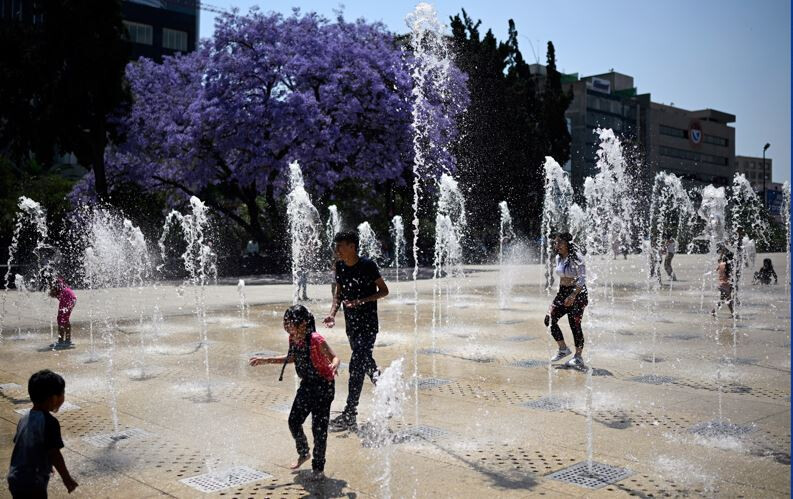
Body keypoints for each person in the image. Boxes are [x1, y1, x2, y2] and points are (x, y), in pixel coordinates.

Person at [248, 305, 339, 480]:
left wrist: (334, 364)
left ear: (304, 323)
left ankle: (318, 468)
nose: (289, 327)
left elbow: (334, 356)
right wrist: (266, 360)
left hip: (323, 388)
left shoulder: (316, 339)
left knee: (319, 429)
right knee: (293, 421)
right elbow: (293, 357)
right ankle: (304, 452)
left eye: (292, 324)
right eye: (286, 324)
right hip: (307, 386)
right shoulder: (293, 338)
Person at [324, 230, 389, 431]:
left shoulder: (368, 265)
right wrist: (333, 314)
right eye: (337, 246)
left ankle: (350, 413)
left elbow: (384, 291)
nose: (337, 250)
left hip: (368, 324)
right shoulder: (340, 267)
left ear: (352, 246)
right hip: (352, 326)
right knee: (364, 360)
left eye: (341, 246)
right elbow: (338, 295)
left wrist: (362, 301)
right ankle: (385, 387)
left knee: (356, 365)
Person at [7, 369, 78, 497]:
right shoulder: (49, 422)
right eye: (62, 393)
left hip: (16, 477)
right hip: (33, 482)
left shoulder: (25, 417)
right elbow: (54, 454)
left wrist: (42, 460)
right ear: (54, 398)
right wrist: (67, 479)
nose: (63, 397)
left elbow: (24, 445)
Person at [545, 232, 588, 369]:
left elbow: (582, 279)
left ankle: (578, 357)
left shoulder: (577, 258)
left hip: (578, 293)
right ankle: (563, 349)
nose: (556, 245)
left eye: (559, 242)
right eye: (555, 242)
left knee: (574, 324)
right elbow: (562, 278)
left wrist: (573, 295)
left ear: (567, 244)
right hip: (562, 292)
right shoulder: (558, 257)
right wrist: (560, 297)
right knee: (550, 319)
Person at [49, 278, 76, 349]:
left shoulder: (58, 287)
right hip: (71, 298)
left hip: (67, 298)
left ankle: (61, 341)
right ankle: (67, 340)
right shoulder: (61, 286)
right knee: (65, 319)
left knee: (61, 320)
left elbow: (54, 292)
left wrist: (53, 293)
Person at [711, 247, 734, 317]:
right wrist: (732, 287)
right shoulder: (729, 267)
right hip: (726, 285)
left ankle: (713, 311)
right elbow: (731, 278)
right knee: (728, 300)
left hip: (721, 285)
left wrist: (722, 252)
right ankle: (733, 313)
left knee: (723, 299)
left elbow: (719, 259)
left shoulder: (721, 264)